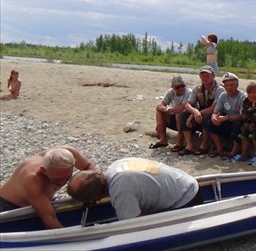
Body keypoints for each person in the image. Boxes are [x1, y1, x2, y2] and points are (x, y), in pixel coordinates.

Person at [67, 157, 202, 221]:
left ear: (95, 198)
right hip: (184, 181)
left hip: (186, 199)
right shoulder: (115, 166)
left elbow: (134, 225)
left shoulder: (120, 190)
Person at [0, 146, 96, 228]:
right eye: (57, 180)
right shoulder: (33, 179)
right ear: (44, 170)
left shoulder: (68, 154)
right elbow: (50, 219)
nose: (62, 182)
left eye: (67, 178)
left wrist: (94, 190)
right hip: (9, 206)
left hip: (44, 198)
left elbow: (89, 167)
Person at [177, 66, 225, 156]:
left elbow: (213, 109)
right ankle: (189, 145)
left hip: (214, 114)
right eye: (203, 75)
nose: (205, 78)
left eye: (207, 75)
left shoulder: (219, 90)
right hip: (199, 113)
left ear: (213, 76)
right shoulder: (197, 88)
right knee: (183, 114)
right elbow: (187, 104)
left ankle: (204, 145)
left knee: (207, 117)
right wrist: (194, 111)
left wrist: (196, 114)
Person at [205, 72, 245, 159]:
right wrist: (214, 118)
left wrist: (226, 118)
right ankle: (219, 148)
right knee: (209, 122)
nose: (229, 87)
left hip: (237, 120)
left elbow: (243, 116)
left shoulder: (242, 97)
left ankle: (234, 151)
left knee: (237, 125)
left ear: (237, 85)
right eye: (227, 85)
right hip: (226, 120)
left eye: (232, 85)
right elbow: (216, 111)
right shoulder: (223, 96)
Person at [230, 82, 256, 163]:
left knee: (253, 127)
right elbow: (244, 115)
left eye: (254, 92)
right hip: (250, 121)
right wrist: (253, 105)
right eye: (249, 93)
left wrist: (254, 106)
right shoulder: (246, 101)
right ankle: (244, 153)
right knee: (244, 127)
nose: (252, 95)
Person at [149, 75, 192, 149]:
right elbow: (160, 105)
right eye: (177, 87)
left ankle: (180, 141)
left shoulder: (188, 92)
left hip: (187, 120)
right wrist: (159, 122)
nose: (181, 88)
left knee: (179, 113)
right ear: (173, 87)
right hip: (175, 119)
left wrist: (169, 109)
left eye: (182, 86)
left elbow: (182, 107)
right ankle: (163, 139)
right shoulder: (170, 93)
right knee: (160, 111)